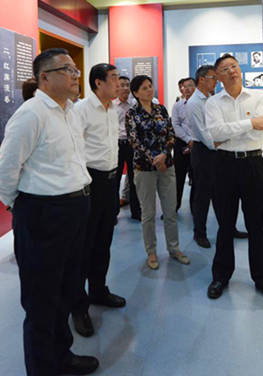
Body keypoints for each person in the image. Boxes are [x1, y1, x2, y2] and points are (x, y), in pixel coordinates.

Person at [0, 48, 99, 376]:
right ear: (44, 78)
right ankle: (42, 368)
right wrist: (24, 208)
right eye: (67, 70)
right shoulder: (31, 114)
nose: (76, 75)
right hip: (44, 213)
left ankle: (61, 356)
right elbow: (4, 173)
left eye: (75, 70)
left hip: (75, 208)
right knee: (41, 300)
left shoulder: (69, 111)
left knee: (66, 289)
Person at [205, 54, 263, 306]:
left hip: (252, 163)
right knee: (225, 224)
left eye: (234, 66)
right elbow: (215, 133)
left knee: (255, 225)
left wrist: (231, 131)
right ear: (218, 77)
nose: (232, 71)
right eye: (225, 69)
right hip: (224, 165)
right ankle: (220, 277)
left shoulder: (257, 96)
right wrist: (250, 123)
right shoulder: (213, 103)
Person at [71, 64, 126, 339]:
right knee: (83, 246)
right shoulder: (81, 109)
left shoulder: (112, 109)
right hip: (89, 183)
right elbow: (74, 148)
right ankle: (78, 306)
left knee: (103, 241)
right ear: (98, 83)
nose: (119, 83)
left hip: (110, 182)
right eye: (113, 78)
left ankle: (98, 290)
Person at [126, 75, 190, 270]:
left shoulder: (160, 109)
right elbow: (134, 141)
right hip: (144, 168)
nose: (149, 90)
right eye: (144, 88)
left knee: (170, 210)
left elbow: (170, 134)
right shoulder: (132, 113)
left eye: (150, 86)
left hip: (167, 165)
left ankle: (174, 248)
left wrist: (163, 155)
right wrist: (155, 160)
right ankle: (151, 252)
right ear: (136, 93)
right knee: (148, 213)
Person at [187, 66, 247, 248]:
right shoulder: (194, 102)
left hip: (217, 150)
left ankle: (229, 228)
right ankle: (199, 233)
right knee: (203, 195)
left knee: (222, 194)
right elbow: (202, 131)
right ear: (202, 79)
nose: (217, 81)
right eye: (213, 77)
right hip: (204, 151)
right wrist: (218, 143)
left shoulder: (211, 99)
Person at [114, 76, 141, 220]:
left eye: (127, 85)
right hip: (117, 145)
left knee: (134, 179)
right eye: (122, 85)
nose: (125, 88)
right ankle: (113, 213)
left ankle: (136, 211)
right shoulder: (111, 106)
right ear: (116, 87)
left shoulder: (135, 105)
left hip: (132, 145)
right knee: (115, 179)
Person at [171, 77, 196, 212]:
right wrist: (188, 140)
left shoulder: (203, 104)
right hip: (182, 143)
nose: (186, 89)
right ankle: (174, 207)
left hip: (198, 143)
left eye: (190, 85)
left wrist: (194, 140)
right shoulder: (177, 105)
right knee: (178, 176)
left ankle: (195, 208)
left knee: (196, 177)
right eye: (184, 86)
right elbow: (175, 125)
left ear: (196, 88)